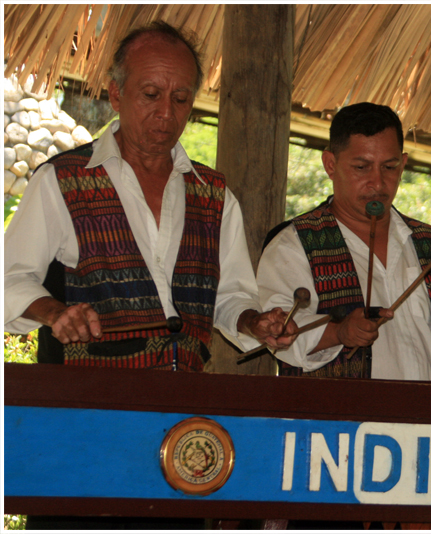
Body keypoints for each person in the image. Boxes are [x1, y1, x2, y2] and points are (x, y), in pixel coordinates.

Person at [4, 22, 296, 372]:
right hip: (83, 404)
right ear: (116, 95)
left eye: (180, 98)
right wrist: (55, 314)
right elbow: (10, 278)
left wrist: (253, 321)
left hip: (181, 407)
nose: (166, 114)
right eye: (151, 94)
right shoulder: (61, 181)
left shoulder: (214, 195)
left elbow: (231, 296)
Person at [257, 102, 431, 382]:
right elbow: (280, 333)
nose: (378, 183)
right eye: (361, 167)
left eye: (389, 167)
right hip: (338, 423)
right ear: (330, 165)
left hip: (427, 418)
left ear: (403, 164)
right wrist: (338, 332)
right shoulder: (293, 245)